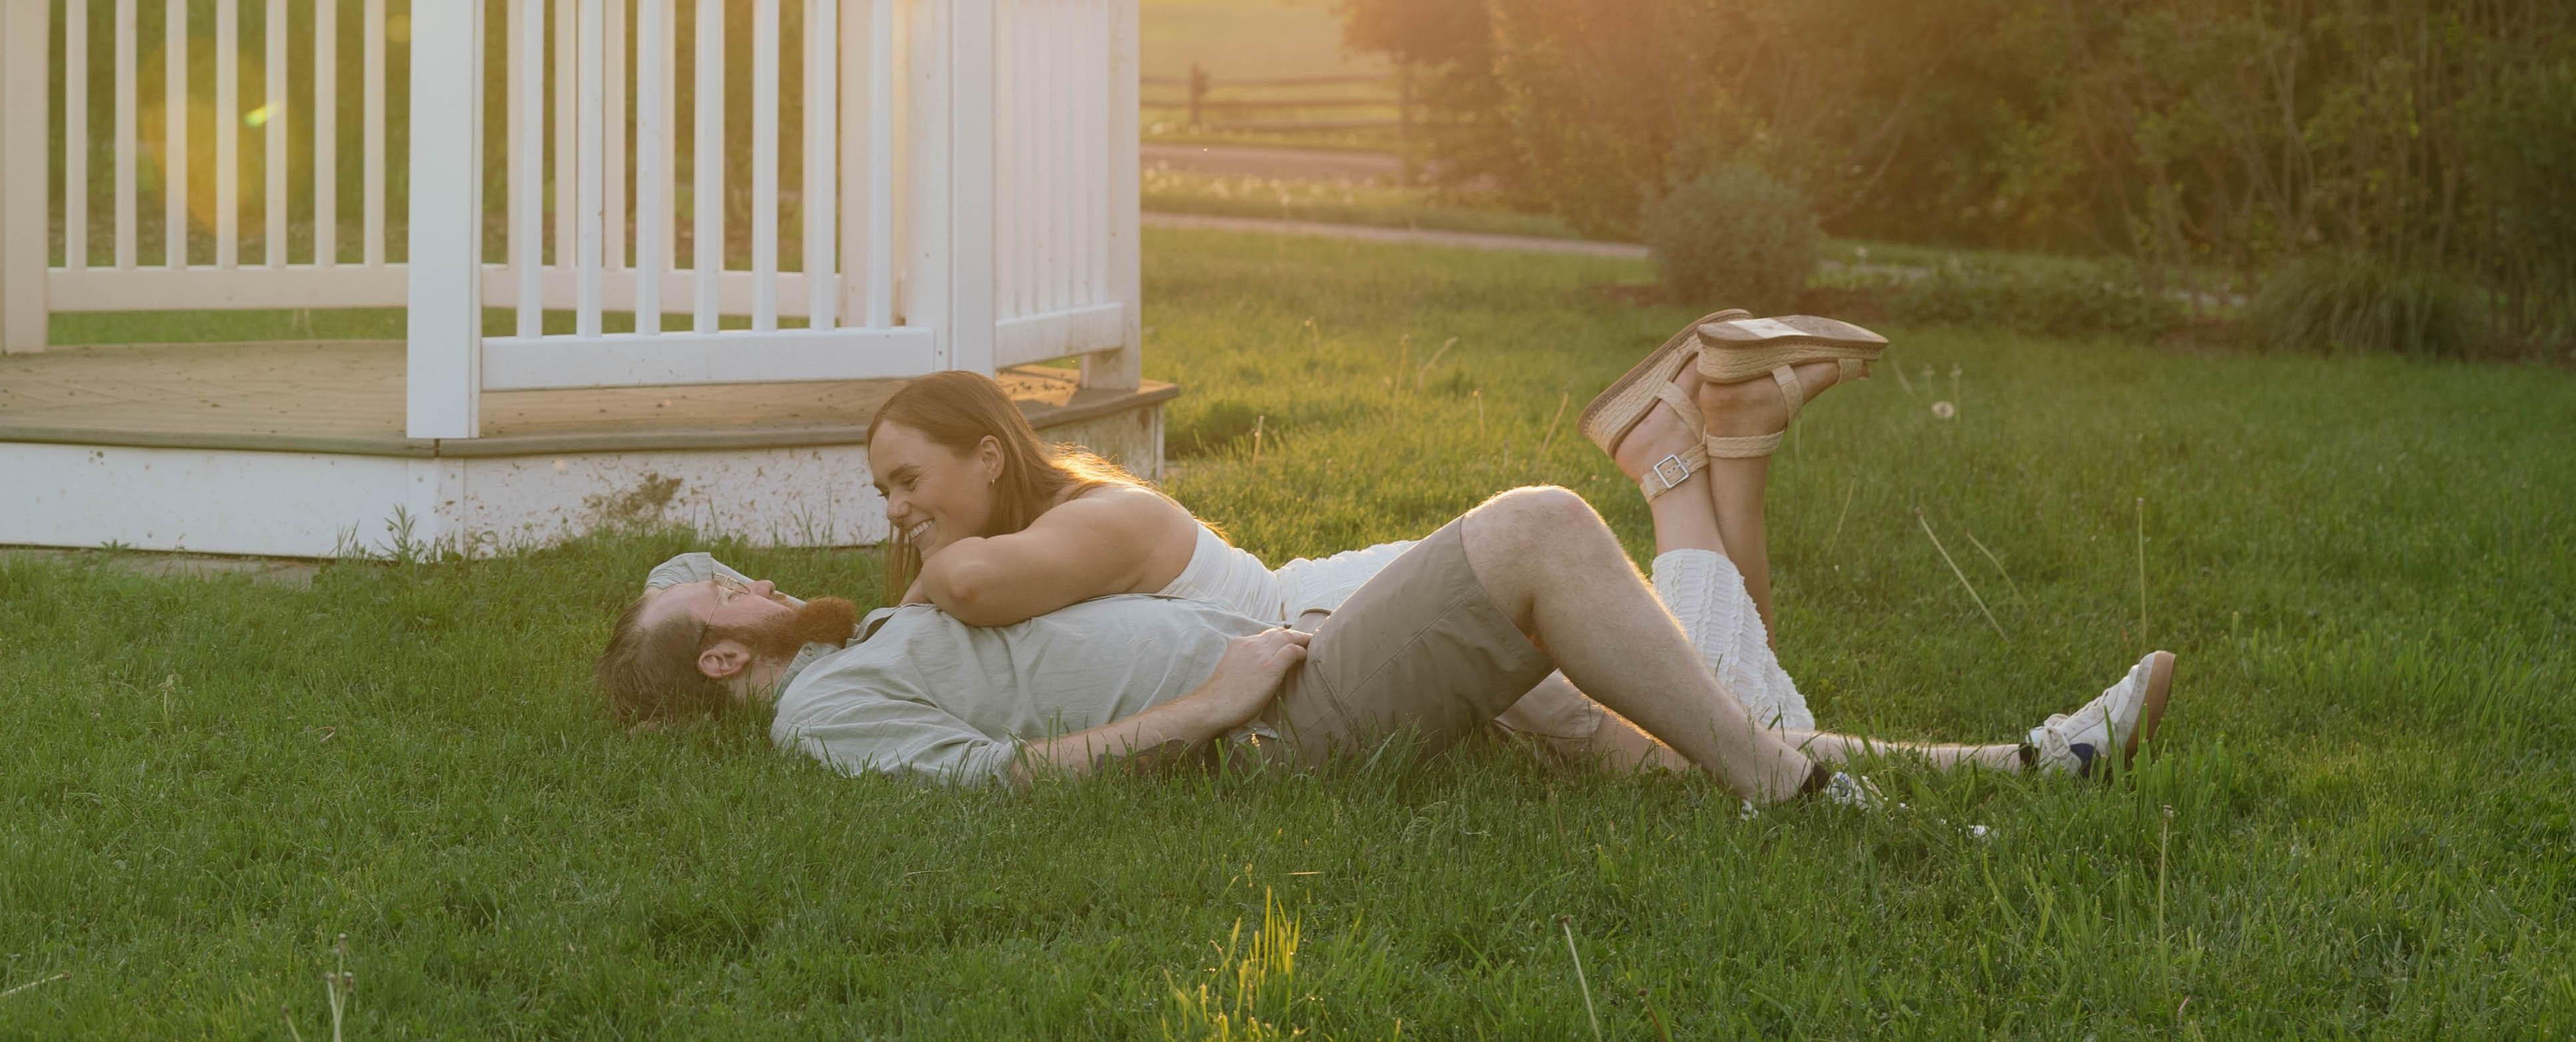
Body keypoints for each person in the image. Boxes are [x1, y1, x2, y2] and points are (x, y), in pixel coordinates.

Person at [594, 341, 2179, 795]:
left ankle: (2016, 765)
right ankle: (1791, 764)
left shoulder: (893, 621)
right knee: (1540, 528)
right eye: (721, 594)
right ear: (724, 659)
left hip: (1299, 646)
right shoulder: (827, 710)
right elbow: (996, 782)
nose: (750, 577)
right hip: (1278, 710)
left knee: (1654, 723)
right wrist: (1207, 705)